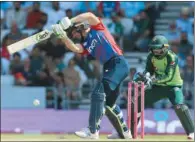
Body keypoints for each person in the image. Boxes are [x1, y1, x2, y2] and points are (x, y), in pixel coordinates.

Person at [51, 12, 131, 139]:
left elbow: (89, 15)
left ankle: (92, 130)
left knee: (98, 93)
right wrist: (63, 37)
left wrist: (70, 21)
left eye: (74, 32)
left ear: (81, 27)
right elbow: (75, 48)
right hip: (109, 67)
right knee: (110, 104)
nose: (74, 35)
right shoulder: (85, 45)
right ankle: (124, 133)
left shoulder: (97, 27)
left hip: (118, 63)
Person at [131, 35, 194, 140]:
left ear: (165, 47)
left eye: (158, 48)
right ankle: (130, 131)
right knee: (138, 102)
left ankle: (192, 132)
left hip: (173, 86)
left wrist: (153, 80)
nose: (155, 50)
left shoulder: (172, 57)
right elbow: (149, 70)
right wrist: (145, 76)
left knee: (180, 107)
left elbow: (169, 76)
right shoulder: (150, 56)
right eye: (154, 47)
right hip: (158, 87)